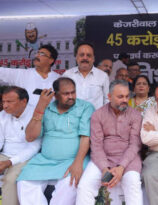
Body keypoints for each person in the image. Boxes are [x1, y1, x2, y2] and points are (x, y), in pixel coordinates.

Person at [17, 77, 95, 205]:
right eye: (66, 93)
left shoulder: (85, 107)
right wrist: (40, 106)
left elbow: (85, 137)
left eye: (73, 92)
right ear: (56, 95)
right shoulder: (45, 108)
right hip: (44, 161)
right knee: (25, 183)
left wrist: (78, 163)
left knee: (69, 186)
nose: (71, 96)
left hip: (72, 160)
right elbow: (30, 136)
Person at [76, 80, 143, 205]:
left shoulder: (135, 115)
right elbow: (96, 145)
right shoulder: (98, 115)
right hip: (103, 159)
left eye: (127, 96)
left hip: (129, 160)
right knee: (84, 186)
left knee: (133, 184)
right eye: (120, 96)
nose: (125, 100)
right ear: (109, 96)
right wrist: (104, 168)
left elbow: (135, 144)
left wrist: (121, 167)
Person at [0, 86, 41, 205]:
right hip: (5, 156)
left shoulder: (35, 116)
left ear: (23, 101)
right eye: (3, 102)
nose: (5, 105)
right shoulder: (2, 115)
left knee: (10, 180)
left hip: (26, 158)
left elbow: (34, 147)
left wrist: (9, 162)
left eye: (9, 102)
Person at [62, 42, 109, 109]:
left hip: (95, 118)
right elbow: (61, 98)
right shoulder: (67, 75)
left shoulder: (103, 76)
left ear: (93, 59)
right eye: (82, 55)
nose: (85, 58)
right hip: (72, 118)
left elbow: (107, 100)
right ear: (76, 57)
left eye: (88, 55)